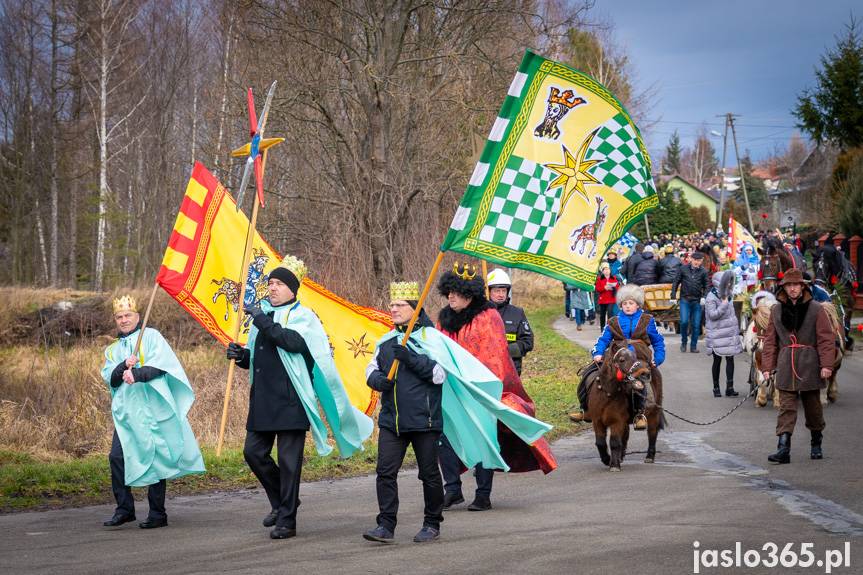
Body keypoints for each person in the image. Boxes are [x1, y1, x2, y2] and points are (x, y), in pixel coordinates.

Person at [227, 256, 373, 539]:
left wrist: (260, 318)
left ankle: (287, 521)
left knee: (290, 462)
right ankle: (283, 501)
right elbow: (263, 356)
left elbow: (292, 343)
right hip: (263, 400)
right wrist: (241, 356)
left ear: (292, 289)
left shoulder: (304, 317)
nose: (272, 288)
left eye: (279, 283)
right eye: (270, 283)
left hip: (292, 400)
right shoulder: (264, 317)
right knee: (253, 453)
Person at [436, 265, 556, 511]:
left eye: (455, 293)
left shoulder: (488, 317)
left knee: (484, 440)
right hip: (451, 391)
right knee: (445, 437)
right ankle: (452, 488)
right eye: (448, 292)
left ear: (468, 295)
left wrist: (476, 384)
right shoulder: (444, 319)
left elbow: (493, 355)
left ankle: (483, 494)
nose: (450, 297)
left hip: (482, 391)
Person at [100, 295, 205, 529]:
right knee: (117, 456)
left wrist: (138, 373)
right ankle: (124, 509)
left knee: (157, 456)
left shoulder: (151, 336)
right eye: (119, 317)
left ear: (137, 316)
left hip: (152, 408)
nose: (124, 320)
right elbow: (110, 378)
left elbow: (163, 366)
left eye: (128, 315)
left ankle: (158, 513)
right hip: (128, 412)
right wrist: (121, 368)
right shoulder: (112, 349)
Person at [363, 282, 445, 544]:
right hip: (392, 421)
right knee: (385, 472)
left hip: (425, 421)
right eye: (392, 305)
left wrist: (411, 358)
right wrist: (378, 381)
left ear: (415, 309)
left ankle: (432, 523)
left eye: (400, 305)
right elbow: (370, 370)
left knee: (429, 474)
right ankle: (385, 525)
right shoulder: (386, 341)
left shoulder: (432, 339)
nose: (394, 309)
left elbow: (439, 375)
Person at [761, 269, 835, 464]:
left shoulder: (816, 309)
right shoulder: (776, 310)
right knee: (786, 408)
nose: (793, 289)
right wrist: (767, 367)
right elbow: (770, 341)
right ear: (783, 287)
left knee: (813, 408)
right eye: (789, 285)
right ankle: (783, 449)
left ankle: (816, 442)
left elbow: (827, 339)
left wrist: (827, 364)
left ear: (802, 287)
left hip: (810, 363)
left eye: (796, 285)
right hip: (786, 364)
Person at [571, 284, 666, 429]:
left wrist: (658, 358)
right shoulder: (613, 321)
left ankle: (640, 414)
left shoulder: (647, 320)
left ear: (638, 305)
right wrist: (597, 353)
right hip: (615, 357)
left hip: (638, 358)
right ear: (621, 305)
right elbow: (603, 340)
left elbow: (658, 341)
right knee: (588, 375)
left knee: (639, 381)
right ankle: (585, 409)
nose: (628, 306)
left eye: (631, 303)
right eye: (625, 303)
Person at [487, 269, 534, 375]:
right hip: (486, 369)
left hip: (511, 370)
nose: (501, 294)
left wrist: (507, 351)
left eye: (503, 291)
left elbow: (528, 342)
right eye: (497, 291)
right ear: (488, 291)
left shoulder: (517, 313)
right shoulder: (481, 313)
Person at [704, 270, 743, 398]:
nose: (729, 284)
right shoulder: (711, 296)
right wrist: (724, 304)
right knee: (717, 360)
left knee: (730, 359)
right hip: (717, 334)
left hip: (729, 333)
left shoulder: (728, 293)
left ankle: (730, 387)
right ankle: (716, 388)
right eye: (726, 282)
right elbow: (713, 315)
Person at [671, 251, 709, 353]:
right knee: (684, 322)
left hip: (697, 300)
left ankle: (693, 346)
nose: (697, 262)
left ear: (701, 261)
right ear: (691, 259)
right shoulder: (683, 269)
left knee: (696, 324)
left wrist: (704, 297)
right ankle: (684, 342)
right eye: (695, 260)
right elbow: (676, 282)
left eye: (699, 261)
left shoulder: (704, 271)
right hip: (685, 299)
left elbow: (707, 285)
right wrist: (673, 296)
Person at [594, 263, 619, 330]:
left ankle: (610, 328)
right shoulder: (599, 279)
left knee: (610, 313)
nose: (606, 271)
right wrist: (604, 288)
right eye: (605, 270)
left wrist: (613, 288)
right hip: (603, 299)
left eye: (608, 269)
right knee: (602, 314)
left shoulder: (614, 278)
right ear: (602, 271)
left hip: (611, 299)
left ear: (610, 270)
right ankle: (602, 328)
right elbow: (597, 289)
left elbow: (617, 287)